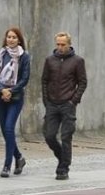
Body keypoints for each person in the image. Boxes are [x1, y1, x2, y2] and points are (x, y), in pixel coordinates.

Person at [41, 31, 87, 180]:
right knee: (49, 135)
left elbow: (82, 82)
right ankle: (62, 157)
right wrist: (46, 101)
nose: (60, 47)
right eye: (58, 44)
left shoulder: (77, 61)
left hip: (68, 104)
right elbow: (44, 81)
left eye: (63, 44)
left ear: (69, 45)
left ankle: (63, 168)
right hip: (52, 104)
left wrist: (73, 100)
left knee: (66, 136)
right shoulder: (49, 60)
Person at [0, 27, 31, 178]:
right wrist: (2, 90)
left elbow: (25, 79)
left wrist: (11, 91)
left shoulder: (24, 57)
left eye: (14, 37)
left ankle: (7, 166)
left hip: (15, 98)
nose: (11, 39)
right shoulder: (0, 54)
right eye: (9, 37)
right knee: (5, 131)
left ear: (19, 40)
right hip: (0, 96)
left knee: (8, 129)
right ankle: (19, 158)